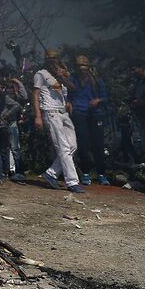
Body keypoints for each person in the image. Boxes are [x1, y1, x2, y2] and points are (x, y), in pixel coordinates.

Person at [33, 49, 84, 193]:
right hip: (51, 113)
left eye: (55, 59)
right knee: (63, 147)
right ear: (46, 60)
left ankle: (51, 173)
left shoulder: (58, 77)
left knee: (72, 146)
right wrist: (37, 116)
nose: (53, 61)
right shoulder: (41, 74)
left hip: (63, 113)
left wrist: (62, 78)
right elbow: (35, 95)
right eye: (50, 59)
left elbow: (74, 88)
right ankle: (72, 181)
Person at [69, 55, 110, 186]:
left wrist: (98, 100)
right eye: (80, 68)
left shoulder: (97, 80)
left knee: (98, 144)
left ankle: (101, 173)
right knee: (83, 144)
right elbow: (68, 95)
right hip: (79, 113)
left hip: (96, 114)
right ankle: (86, 172)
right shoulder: (73, 79)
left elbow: (106, 97)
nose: (82, 70)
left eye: (84, 68)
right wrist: (69, 103)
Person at [130, 60, 145, 163]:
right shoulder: (138, 82)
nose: (133, 72)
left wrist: (144, 103)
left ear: (142, 68)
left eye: (134, 69)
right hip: (142, 116)